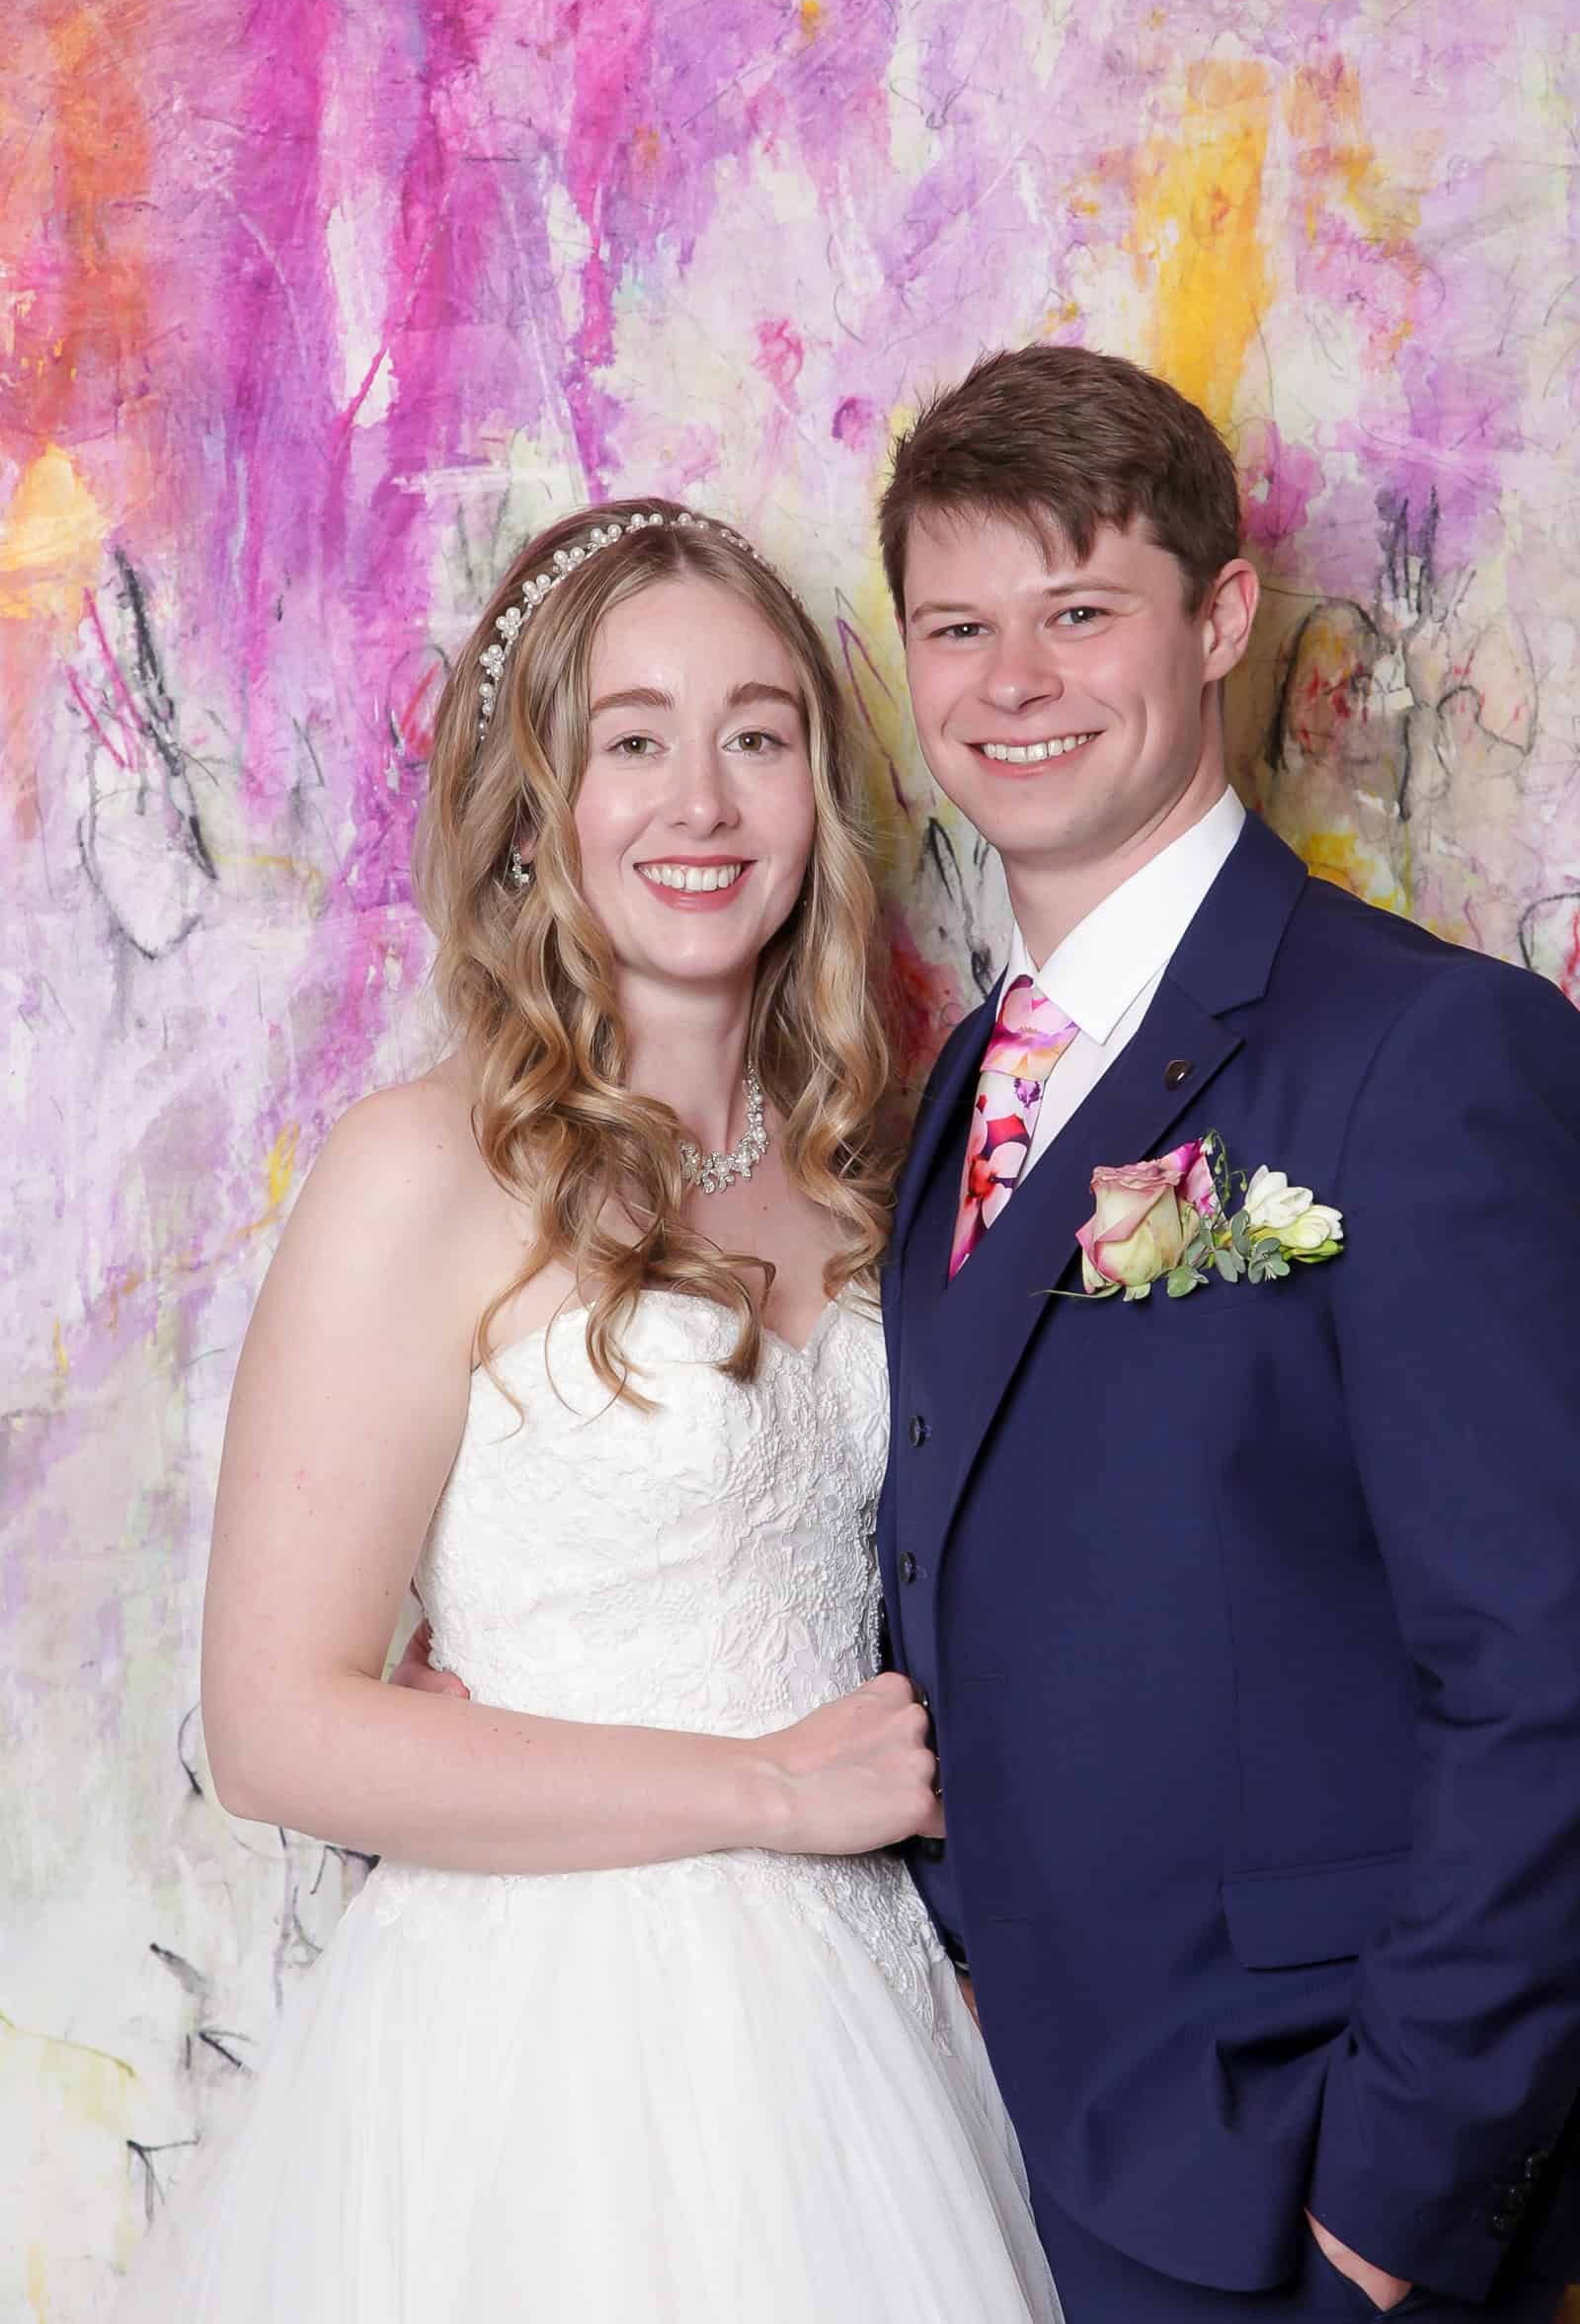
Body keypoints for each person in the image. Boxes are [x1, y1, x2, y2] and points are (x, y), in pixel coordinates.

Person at [114, 502, 1062, 2322]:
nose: (699, 803)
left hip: (865, 2021)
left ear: (817, 794)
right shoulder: (427, 1167)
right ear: (540, 803)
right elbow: (276, 1730)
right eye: (632, 740)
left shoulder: (878, 1167)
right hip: (541, 2042)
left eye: (756, 736)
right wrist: (767, 1789)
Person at [873, 345, 1580, 2322]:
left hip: (1289, 2190)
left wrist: (1391, 2203)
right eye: (957, 625)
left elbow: (1545, 1675)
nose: (1010, 681)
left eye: (1076, 611)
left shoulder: (1427, 1057)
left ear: (1218, 620)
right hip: (991, 2153)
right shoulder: (957, 1087)